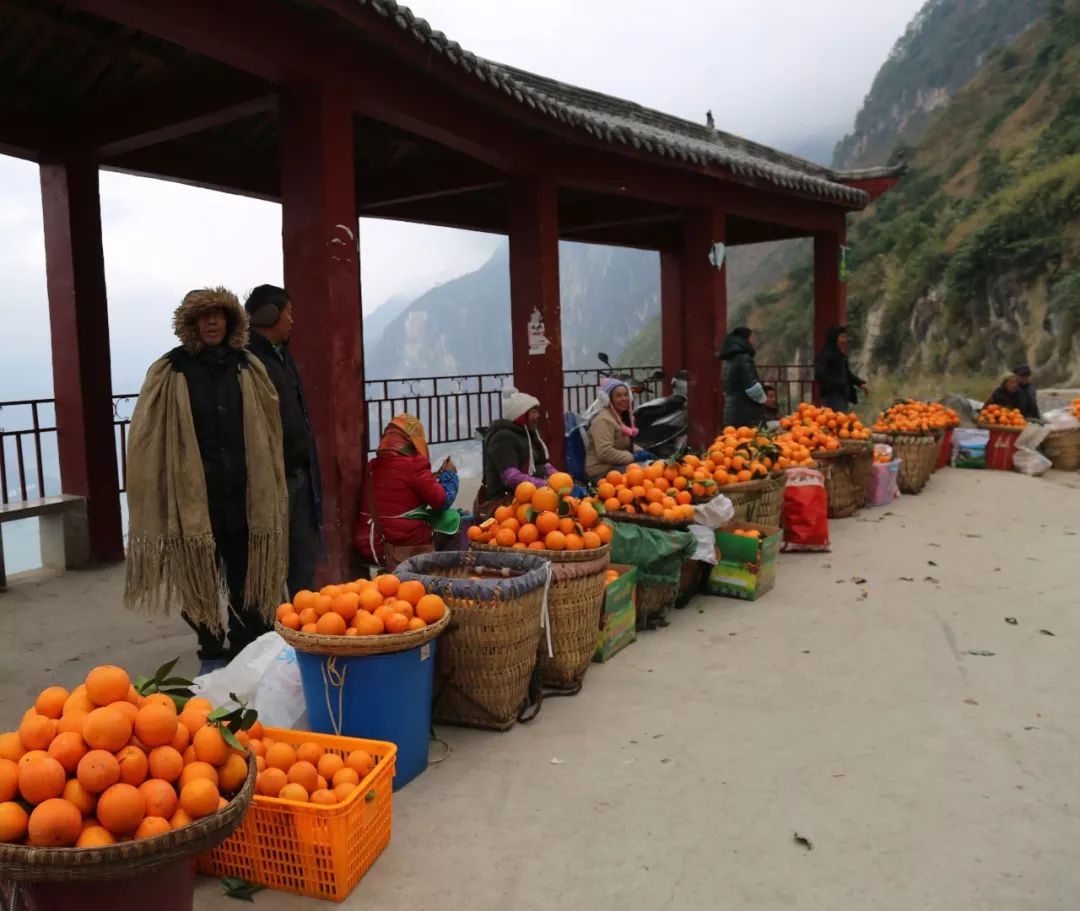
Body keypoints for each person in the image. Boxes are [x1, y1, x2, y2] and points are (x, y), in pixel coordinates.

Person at [124, 288, 288, 673]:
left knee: (248, 579)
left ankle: (247, 650)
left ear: (231, 320)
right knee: (196, 580)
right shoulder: (170, 370)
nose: (212, 321)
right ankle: (211, 650)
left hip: (246, 495)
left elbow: (271, 428)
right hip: (194, 498)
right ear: (191, 323)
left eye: (218, 314)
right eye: (204, 316)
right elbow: (147, 436)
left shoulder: (248, 367)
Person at [244, 284, 322, 597]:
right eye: (288, 313)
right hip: (273, 480)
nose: (292, 320)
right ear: (269, 315)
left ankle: (305, 624)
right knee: (270, 564)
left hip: (300, 473)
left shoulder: (282, 357)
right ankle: (272, 631)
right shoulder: (249, 361)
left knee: (303, 559)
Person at [353, 414, 458, 568]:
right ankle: (445, 571)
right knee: (451, 517)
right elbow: (442, 501)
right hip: (398, 547)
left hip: (367, 544)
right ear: (414, 441)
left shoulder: (372, 466)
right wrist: (450, 475)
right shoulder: (414, 465)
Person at [477, 389, 574, 518]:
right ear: (521, 414)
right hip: (508, 504)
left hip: (532, 497)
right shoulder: (502, 438)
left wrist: (560, 479)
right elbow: (511, 477)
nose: (538, 415)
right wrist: (546, 486)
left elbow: (543, 465)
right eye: (533, 411)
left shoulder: (528, 433)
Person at [584, 378, 655, 482]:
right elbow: (605, 452)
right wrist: (633, 457)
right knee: (646, 472)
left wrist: (641, 452)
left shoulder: (619, 417)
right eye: (618, 396)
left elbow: (624, 443)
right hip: (601, 471)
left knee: (654, 466)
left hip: (615, 465)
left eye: (626, 395)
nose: (624, 398)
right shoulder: (603, 420)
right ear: (608, 399)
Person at [718, 326, 766, 427]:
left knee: (734, 440)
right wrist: (763, 399)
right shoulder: (743, 358)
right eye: (752, 338)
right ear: (746, 338)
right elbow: (752, 387)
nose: (754, 341)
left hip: (731, 411)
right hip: (745, 414)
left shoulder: (728, 359)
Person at [815, 325, 868, 414]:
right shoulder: (826, 355)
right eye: (842, 337)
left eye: (845, 337)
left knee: (841, 420)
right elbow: (820, 374)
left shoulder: (839, 354)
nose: (844, 340)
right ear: (834, 338)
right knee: (833, 421)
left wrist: (860, 383)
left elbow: (846, 373)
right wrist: (837, 383)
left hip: (842, 394)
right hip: (832, 395)